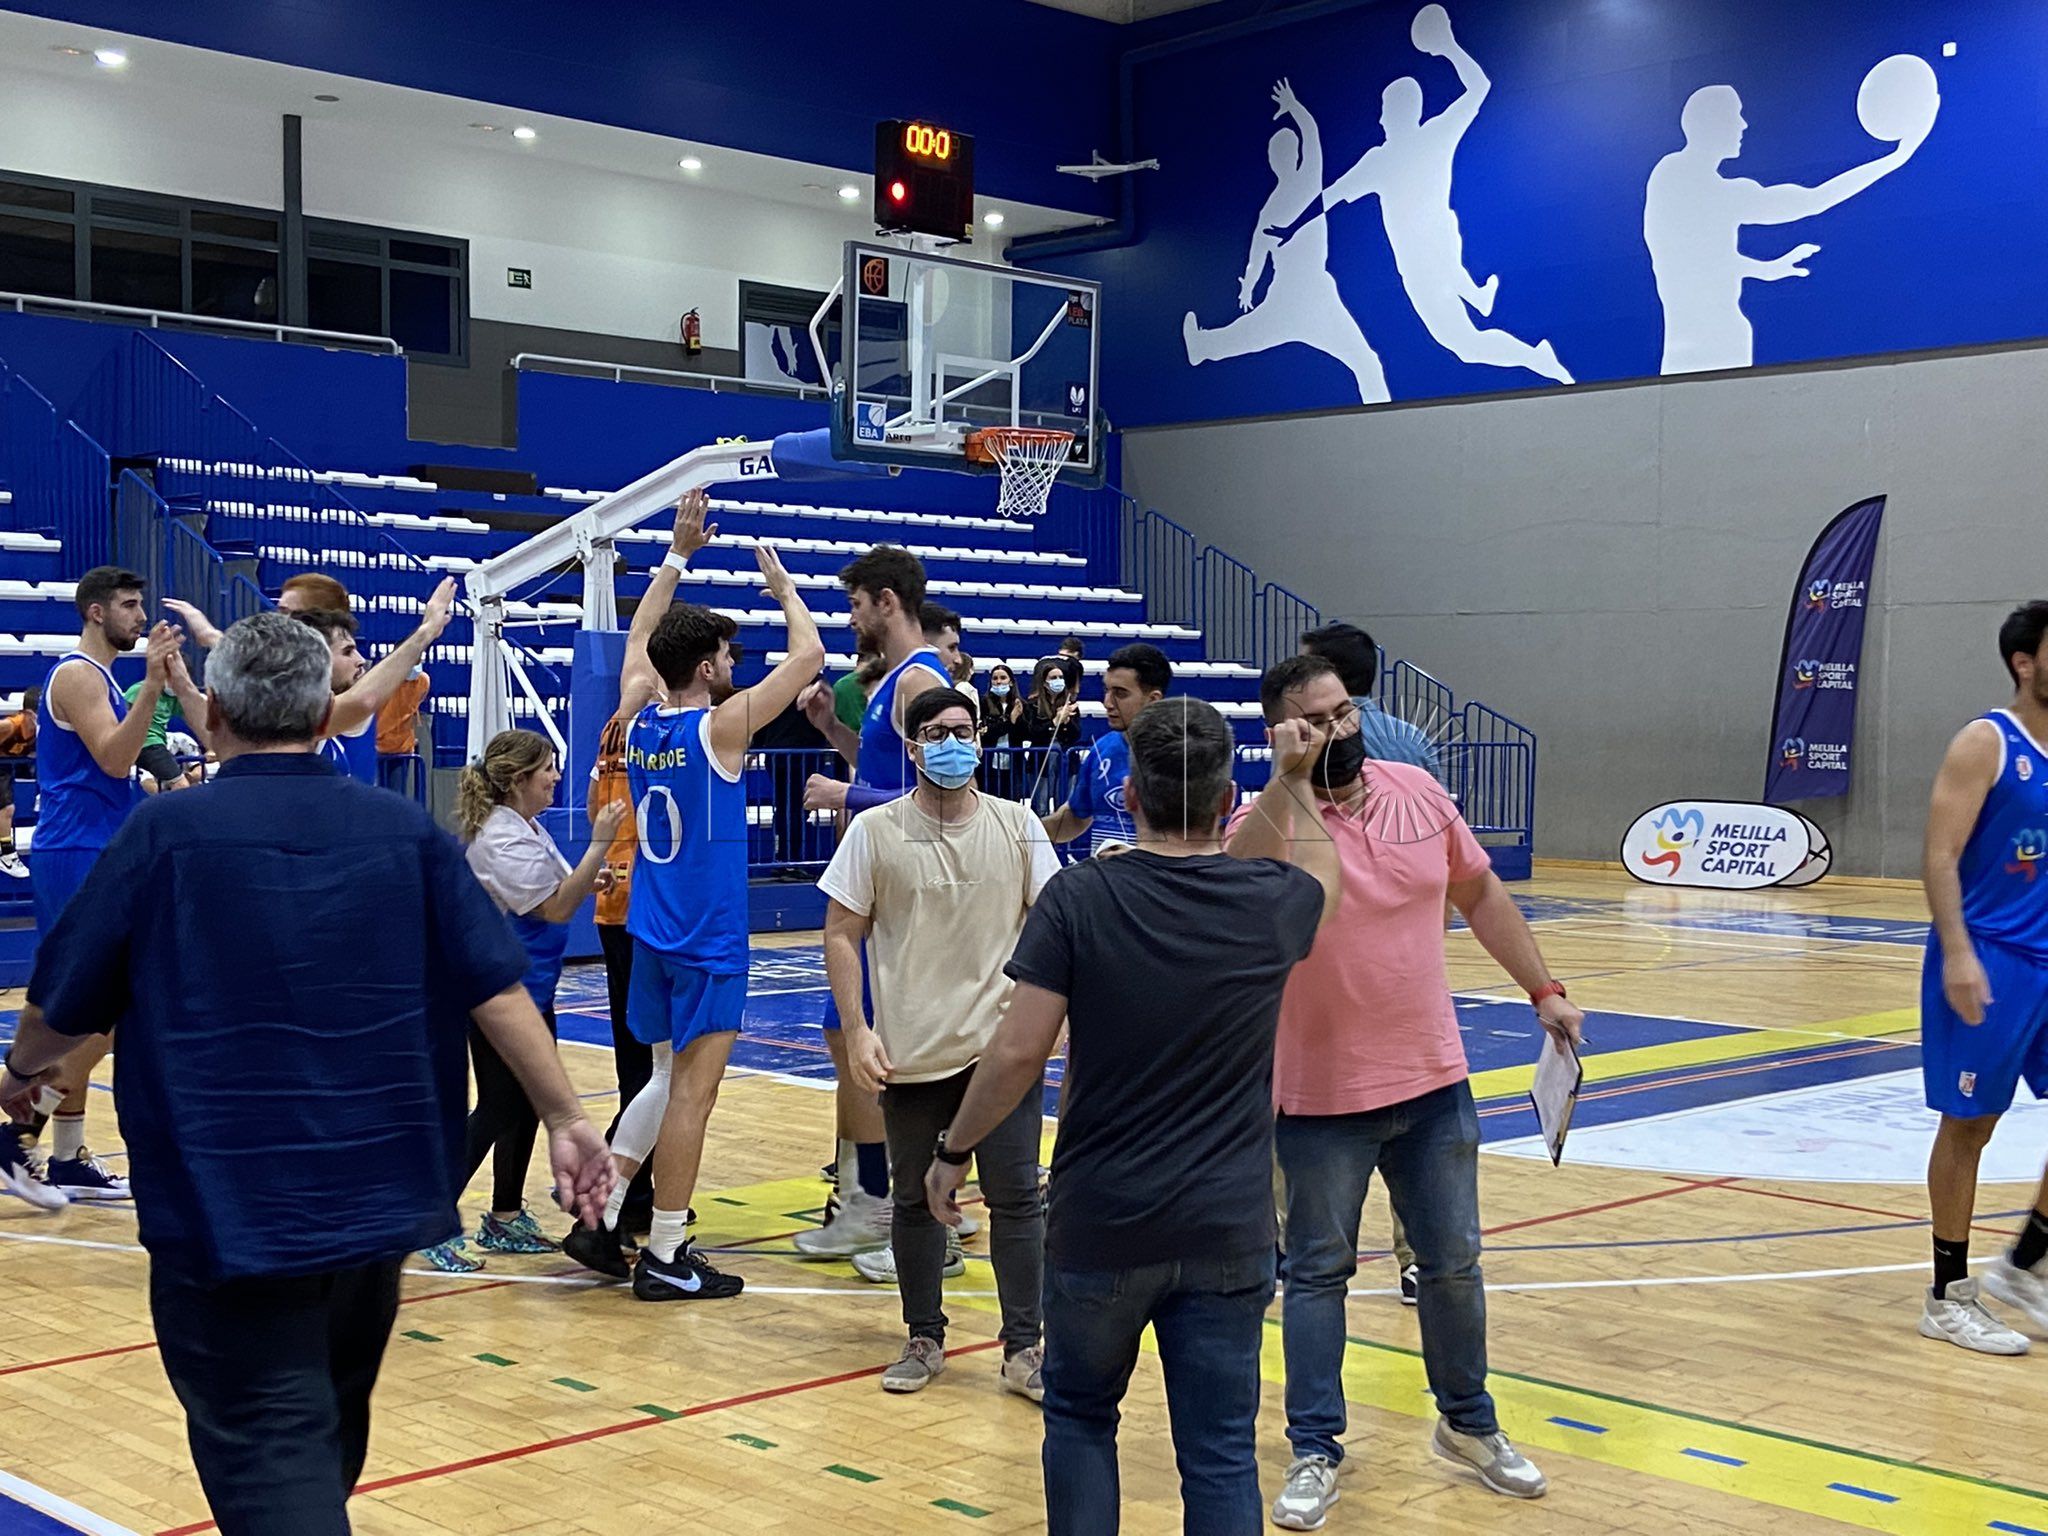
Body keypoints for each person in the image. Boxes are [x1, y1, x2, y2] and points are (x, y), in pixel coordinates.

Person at [0, 610, 611, 1536]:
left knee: (270, 1442)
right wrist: (566, 1116)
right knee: (323, 1428)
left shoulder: (165, 834)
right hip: (376, 1201)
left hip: (228, 1200)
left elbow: (62, 1002)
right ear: (326, 715)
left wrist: (20, 1070)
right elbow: (496, 987)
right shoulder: (401, 830)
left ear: (213, 717)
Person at [925, 696, 1341, 1534]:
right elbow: (1324, 878)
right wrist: (1296, 781)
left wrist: (954, 1148)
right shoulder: (1270, 901)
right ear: (1228, 801)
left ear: (1129, 798)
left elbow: (1018, 1052)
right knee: (1220, 1454)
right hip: (1226, 1229)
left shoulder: (1079, 898)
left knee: (1081, 1421)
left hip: (1102, 1223)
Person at [1227, 655, 1583, 1525]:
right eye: (1317, 720)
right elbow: (1239, 875)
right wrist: (1290, 780)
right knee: (1318, 1275)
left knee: (1453, 1264)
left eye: (1344, 712)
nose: (1340, 730)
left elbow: (1481, 893)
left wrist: (1543, 989)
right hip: (1318, 1098)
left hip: (1432, 1083)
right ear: (1283, 729)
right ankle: (1315, 1447)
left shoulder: (1418, 792)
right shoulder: (1264, 818)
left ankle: (1469, 1423)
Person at [566, 489, 822, 1299]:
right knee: (693, 1096)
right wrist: (784, 592)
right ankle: (667, 1253)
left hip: (651, 929)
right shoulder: (719, 730)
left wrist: (677, 556)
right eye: (726, 655)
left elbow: (640, 638)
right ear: (706, 668)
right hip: (707, 939)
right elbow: (809, 659)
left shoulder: (637, 723)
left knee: (662, 1080)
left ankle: (601, 1214)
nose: (733, 663)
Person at [821, 686, 1059, 1395]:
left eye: (962, 730)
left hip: (999, 1056)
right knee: (915, 1199)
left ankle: (1024, 1349)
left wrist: (1055, 1018)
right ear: (913, 745)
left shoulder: (1019, 825)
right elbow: (841, 932)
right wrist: (857, 1030)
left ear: (980, 738)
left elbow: (1055, 925)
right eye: (935, 733)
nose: (951, 744)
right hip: (910, 1052)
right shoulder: (875, 831)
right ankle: (923, 1336)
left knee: (1016, 1199)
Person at [0, 567, 204, 1209]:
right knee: (101, 1006)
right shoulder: (78, 675)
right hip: (75, 852)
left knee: (97, 1011)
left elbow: (112, 772)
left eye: (141, 604)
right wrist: (155, 685)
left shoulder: (105, 679)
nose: (141, 615)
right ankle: (17, 1129)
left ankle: (64, 1157)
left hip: (98, 846)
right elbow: (114, 757)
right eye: (129, 605)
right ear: (96, 612)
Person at [417, 729, 629, 1273]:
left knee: (529, 1102)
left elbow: (557, 889)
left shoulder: (525, 826)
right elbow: (553, 909)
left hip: (534, 987)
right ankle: (430, 1221)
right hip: (498, 993)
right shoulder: (498, 839)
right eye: (547, 769)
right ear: (517, 781)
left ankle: (505, 1215)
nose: (556, 777)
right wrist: (599, 845)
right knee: (497, 1105)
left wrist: (592, 878)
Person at [792, 545, 953, 1259]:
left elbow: (943, 791)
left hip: (908, 886)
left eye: (856, 604)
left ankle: (902, 1212)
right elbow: (889, 765)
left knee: (884, 1048)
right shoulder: (894, 680)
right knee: (849, 1037)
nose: (851, 618)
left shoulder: (920, 679)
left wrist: (844, 794)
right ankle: (871, 1201)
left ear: (887, 600)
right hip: (877, 881)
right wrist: (832, 731)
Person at [1305, 6, 1572, 384]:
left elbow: (1328, 198)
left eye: (1384, 111)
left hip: (1423, 262)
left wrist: (1287, 229)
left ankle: (1530, 352)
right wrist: (1449, 48)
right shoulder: (1431, 137)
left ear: (1394, 113)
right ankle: (1477, 297)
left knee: (1465, 346)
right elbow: (1478, 88)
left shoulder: (1385, 158)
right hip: (1439, 244)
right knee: (1459, 314)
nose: (1379, 119)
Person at [1916, 600, 2048, 1353]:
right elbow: (1939, 855)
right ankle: (1947, 1296)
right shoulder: (1986, 742)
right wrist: (1959, 953)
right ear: (2025, 663)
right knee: (1971, 1125)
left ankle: (2027, 1264)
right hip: (1991, 957)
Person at [1644, 70, 1935, 375]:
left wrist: (1767, 268)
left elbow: (1701, 258)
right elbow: (1811, 201)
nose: (1743, 125)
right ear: (1709, 123)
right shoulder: (1678, 177)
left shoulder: (1697, 186)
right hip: (1702, 346)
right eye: (1735, 116)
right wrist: (1896, 159)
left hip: (1721, 340)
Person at [1183, 78, 1391, 404]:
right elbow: (1257, 256)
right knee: (1364, 362)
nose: (1280, 158)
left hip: (1308, 293)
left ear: (1288, 157)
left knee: (1365, 362)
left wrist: (1295, 107)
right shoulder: (1281, 201)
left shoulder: (1302, 185)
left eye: (1282, 152)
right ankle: (1202, 345)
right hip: (1292, 295)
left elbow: (1312, 137)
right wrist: (1248, 287)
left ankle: (1204, 345)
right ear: (1275, 160)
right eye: (1277, 153)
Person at [589, 704, 656, 1241]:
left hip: (613, 902)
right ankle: (615, 1190)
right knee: (659, 1071)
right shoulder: (662, 728)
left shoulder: (613, 726)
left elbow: (596, 806)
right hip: (645, 909)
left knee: (637, 1065)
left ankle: (634, 1194)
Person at [1043, 642, 1172, 857]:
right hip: (1106, 877)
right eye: (1107, 690)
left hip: (1156, 878)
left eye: (1120, 693)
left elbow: (1206, 841)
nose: (1107, 702)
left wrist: (1139, 859)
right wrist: (1023, 828)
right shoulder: (1103, 748)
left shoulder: (1186, 757)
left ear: (1153, 700)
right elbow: (1075, 818)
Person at [1301, 620, 1439, 776]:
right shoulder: (1414, 737)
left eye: (1304, 669)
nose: (1298, 678)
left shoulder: (1316, 740)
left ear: (1327, 675)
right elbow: (1438, 791)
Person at [1018, 659, 1083, 813]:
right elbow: (1031, 733)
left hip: (1067, 764)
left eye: (1060, 677)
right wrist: (1054, 722)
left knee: (1065, 808)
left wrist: (1066, 722)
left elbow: (1076, 735)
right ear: (1044, 683)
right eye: (1053, 678)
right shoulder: (1032, 705)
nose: (1058, 681)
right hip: (1040, 763)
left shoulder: (1070, 704)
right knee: (1041, 808)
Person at [0, 686, 37, 879]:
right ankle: (6, 854)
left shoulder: (39, 732)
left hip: (8, 767)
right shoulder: (10, 725)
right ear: (29, 714)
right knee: (7, 809)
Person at [981, 663, 1026, 801]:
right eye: (995, 678)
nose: (998, 682)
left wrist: (1015, 719)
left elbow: (1026, 732)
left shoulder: (1020, 705)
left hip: (1013, 762)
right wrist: (1010, 720)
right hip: (989, 762)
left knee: (1012, 800)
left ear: (1011, 682)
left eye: (1003, 678)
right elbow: (987, 732)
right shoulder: (983, 704)